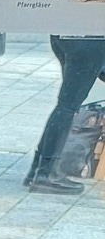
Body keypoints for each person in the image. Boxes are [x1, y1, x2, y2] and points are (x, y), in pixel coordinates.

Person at [23, 35, 105, 193]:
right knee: (67, 106)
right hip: (92, 40)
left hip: (65, 36)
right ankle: (46, 174)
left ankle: (38, 169)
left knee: (66, 105)